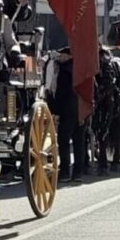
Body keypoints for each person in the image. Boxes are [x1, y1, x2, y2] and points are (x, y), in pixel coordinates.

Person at [46, 47, 85, 184]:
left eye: (62, 55)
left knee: (64, 141)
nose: (60, 57)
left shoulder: (63, 71)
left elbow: (59, 93)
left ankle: (65, 171)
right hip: (80, 110)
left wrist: (54, 110)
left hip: (68, 110)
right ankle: (77, 172)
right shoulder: (81, 70)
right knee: (78, 141)